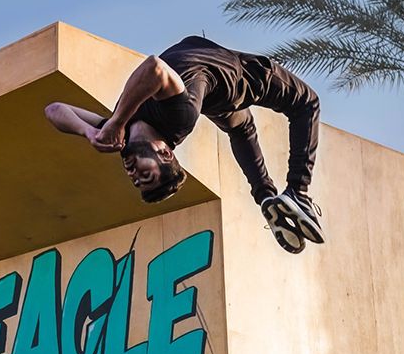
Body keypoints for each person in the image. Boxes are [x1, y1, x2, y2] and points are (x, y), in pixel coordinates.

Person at [44, 35, 324, 253]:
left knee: (241, 128)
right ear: (164, 152)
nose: (132, 174)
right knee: (305, 103)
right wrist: (116, 122)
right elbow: (154, 68)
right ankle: (297, 191)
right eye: (145, 174)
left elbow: (53, 109)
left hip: (211, 93)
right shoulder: (177, 119)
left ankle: (265, 198)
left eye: (135, 180)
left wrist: (89, 132)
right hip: (238, 79)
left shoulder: (123, 134)